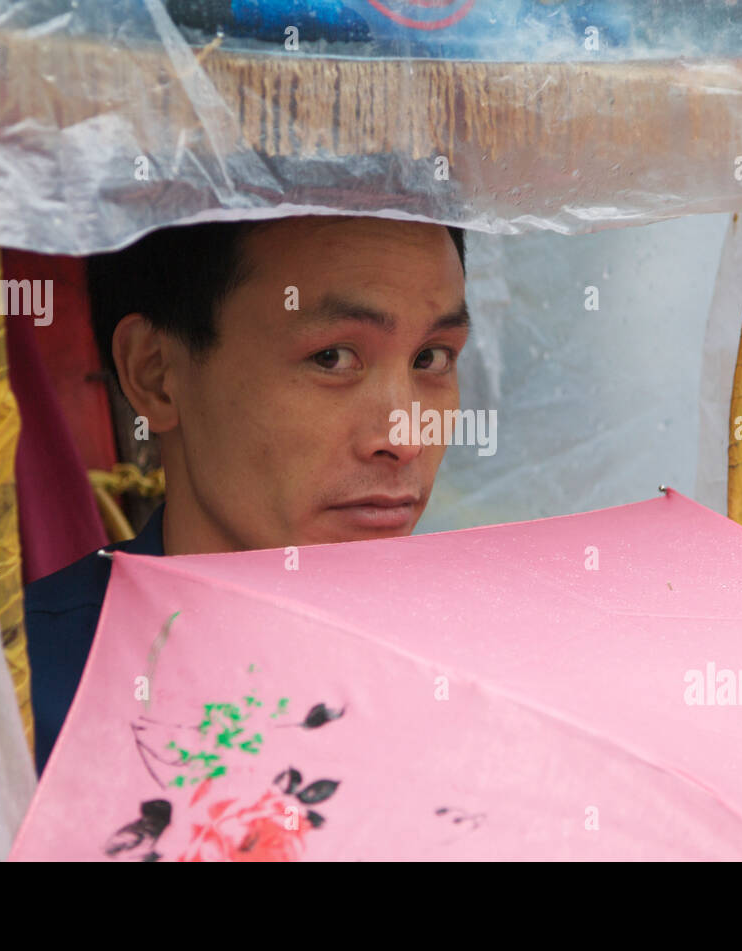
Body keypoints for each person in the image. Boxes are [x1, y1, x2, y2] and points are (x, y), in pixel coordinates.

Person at [25, 215, 468, 774]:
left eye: (432, 358)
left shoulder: (497, 670)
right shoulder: (12, 701)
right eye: (332, 357)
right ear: (157, 373)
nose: (405, 437)